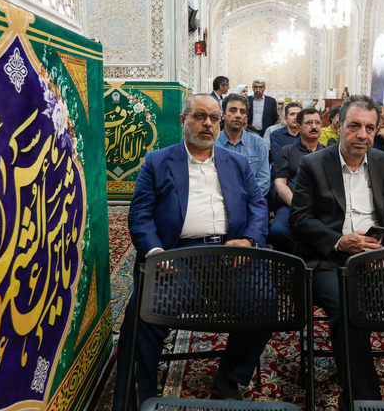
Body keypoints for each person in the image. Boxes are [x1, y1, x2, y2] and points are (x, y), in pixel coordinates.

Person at [112, 94, 269, 407]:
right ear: (183, 121)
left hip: (229, 254)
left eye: (213, 117)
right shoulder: (158, 161)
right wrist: (154, 251)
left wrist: (249, 240)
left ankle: (230, 374)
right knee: (146, 310)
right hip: (176, 257)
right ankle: (145, 390)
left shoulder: (236, 162)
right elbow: (140, 215)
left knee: (266, 302)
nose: (208, 124)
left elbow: (258, 205)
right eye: (199, 116)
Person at [289, 95, 384, 406]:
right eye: (354, 126)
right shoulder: (313, 165)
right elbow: (299, 220)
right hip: (331, 260)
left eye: (370, 128)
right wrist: (340, 241)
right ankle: (361, 400)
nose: (362, 135)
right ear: (338, 126)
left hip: (381, 258)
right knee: (347, 309)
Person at [269, 108, 324, 254]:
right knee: (277, 231)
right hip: (291, 205)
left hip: (321, 207)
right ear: (299, 127)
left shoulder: (327, 153)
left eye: (317, 122)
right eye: (309, 123)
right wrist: (296, 204)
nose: (314, 126)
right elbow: (280, 182)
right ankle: (294, 264)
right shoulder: (287, 151)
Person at [215, 93, 270, 196]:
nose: (238, 115)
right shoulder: (213, 143)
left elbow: (264, 180)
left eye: (242, 112)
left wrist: (243, 199)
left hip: (249, 202)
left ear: (245, 117)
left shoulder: (258, 143)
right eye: (233, 110)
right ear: (223, 115)